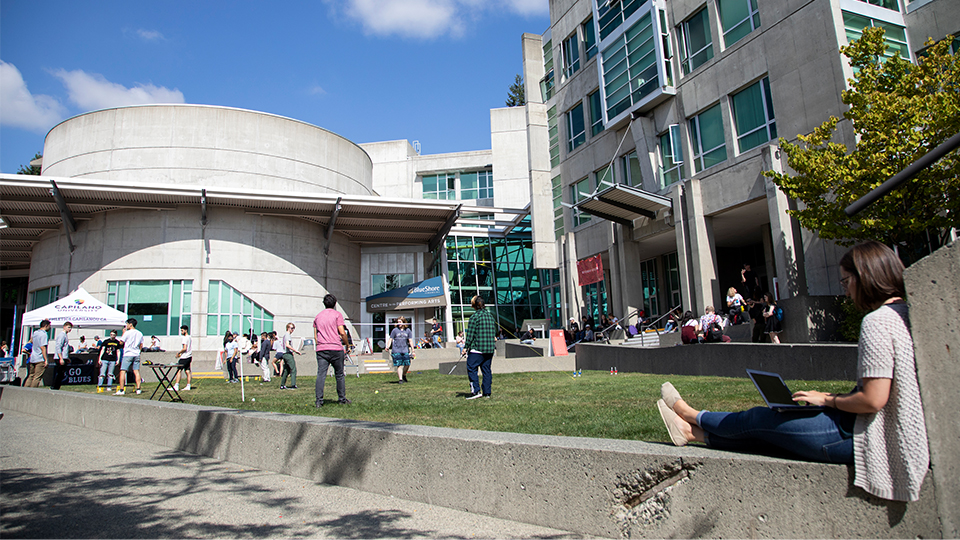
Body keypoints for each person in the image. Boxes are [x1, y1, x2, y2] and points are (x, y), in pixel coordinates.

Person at [657, 241, 929, 502]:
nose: (846, 291)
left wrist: (827, 400)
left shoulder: (878, 321)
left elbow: (873, 399)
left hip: (862, 435)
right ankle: (694, 434)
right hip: (884, 434)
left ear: (865, 277)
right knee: (777, 433)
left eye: (846, 282)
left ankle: (691, 415)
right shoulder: (907, 313)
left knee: (761, 419)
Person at [313, 294, 350, 406]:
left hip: (322, 349)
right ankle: (342, 399)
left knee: (321, 374)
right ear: (335, 303)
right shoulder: (337, 315)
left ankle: (319, 401)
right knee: (339, 374)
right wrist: (347, 345)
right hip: (335, 348)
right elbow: (342, 332)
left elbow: (315, 336)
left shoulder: (318, 317)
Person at [463, 295, 496, 400]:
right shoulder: (490, 316)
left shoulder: (475, 317)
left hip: (478, 349)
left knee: (471, 367)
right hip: (489, 349)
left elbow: (470, 334)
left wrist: (465, 347)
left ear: (475, 306)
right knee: (486, 370)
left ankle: (476, 391)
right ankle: (487, 393)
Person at [116, 318, 144, 395]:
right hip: (136, 353)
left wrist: (123, 333)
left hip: (128, 354)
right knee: (136, 371)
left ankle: (122, 389)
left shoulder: (127, 333)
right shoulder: (140, 333)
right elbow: (141, 344)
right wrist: (139, 351)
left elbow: (121, 342)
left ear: (130, 324)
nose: (126, 326)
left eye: (127, 324)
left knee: (123, 371)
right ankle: (138, 389)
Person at [386, 316, 414, 384]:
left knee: (407, 364)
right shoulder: (395, 330)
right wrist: (387, 346)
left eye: (400, 322)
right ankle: (400, 379)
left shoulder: (408, 330)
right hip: (396, 350)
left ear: (404, 322)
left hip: (405, 350)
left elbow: (410, 340)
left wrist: (413, 350)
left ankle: (404, 375)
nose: (399, 323)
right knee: (399, 365)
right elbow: (391, 339)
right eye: (398, 322)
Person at [25, 319, 51, 387]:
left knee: (31, 376)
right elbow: (43, 347)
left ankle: (25, 390)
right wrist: (46, 360)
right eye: (49, 326)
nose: (50, 328)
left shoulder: (35, 333)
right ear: (46, 326)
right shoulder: (44, 334)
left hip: (33, 357)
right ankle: (32, 392)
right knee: (37, 377)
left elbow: (31, 342)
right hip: (40, 358)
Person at [50, 322, 73, 390]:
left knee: (62, 374)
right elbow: (58, 346)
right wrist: (61, 358)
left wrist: (67, 357)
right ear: (64, 327)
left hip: (64, 357)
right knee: (59, 373)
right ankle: (54, 387)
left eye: (70, 328)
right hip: (60, 357)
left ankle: (57, 387)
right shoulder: (61, 335)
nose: (70, 329)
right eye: (68, 327)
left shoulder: (65, 335)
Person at [280, 323, 301, 389]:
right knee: (293, 369)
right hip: (287, 354)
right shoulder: (287, 335)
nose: (293, 330)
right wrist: (295, 350)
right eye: (292, 328)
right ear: (288, 328)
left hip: (286, 354)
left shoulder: (286, 335)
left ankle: (282, 384)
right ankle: (293, 385)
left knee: (287, 370)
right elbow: (287, 345)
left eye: (293, 328)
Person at [172, 324, 192, 391]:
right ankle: (188, 385)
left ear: (186, 330)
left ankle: (176, 385)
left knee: (179, 370)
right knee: (187, 371)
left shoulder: (185, 338)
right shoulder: (189, 337)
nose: (181, 332)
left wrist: (179, 353)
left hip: (184, 357)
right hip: (189, 356)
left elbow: (184, 348)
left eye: (182, 330)